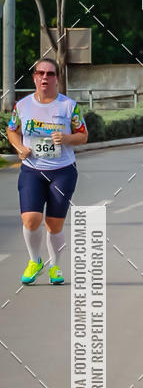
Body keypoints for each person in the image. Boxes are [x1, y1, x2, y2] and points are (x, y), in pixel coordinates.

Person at [7, 58, 88, 285]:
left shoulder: (68, 106)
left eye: (50, 74)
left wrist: (67, 138)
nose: (45, 77)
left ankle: (55, 266)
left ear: (57, 79)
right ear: (34, 77)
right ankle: (35, 260)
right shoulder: (22, 106)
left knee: (54, 225)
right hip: (32, 170)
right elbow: (12, 130)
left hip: (62, 171)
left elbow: (83, 135)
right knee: (31, 220)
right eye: (40, 73)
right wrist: (20, 147)